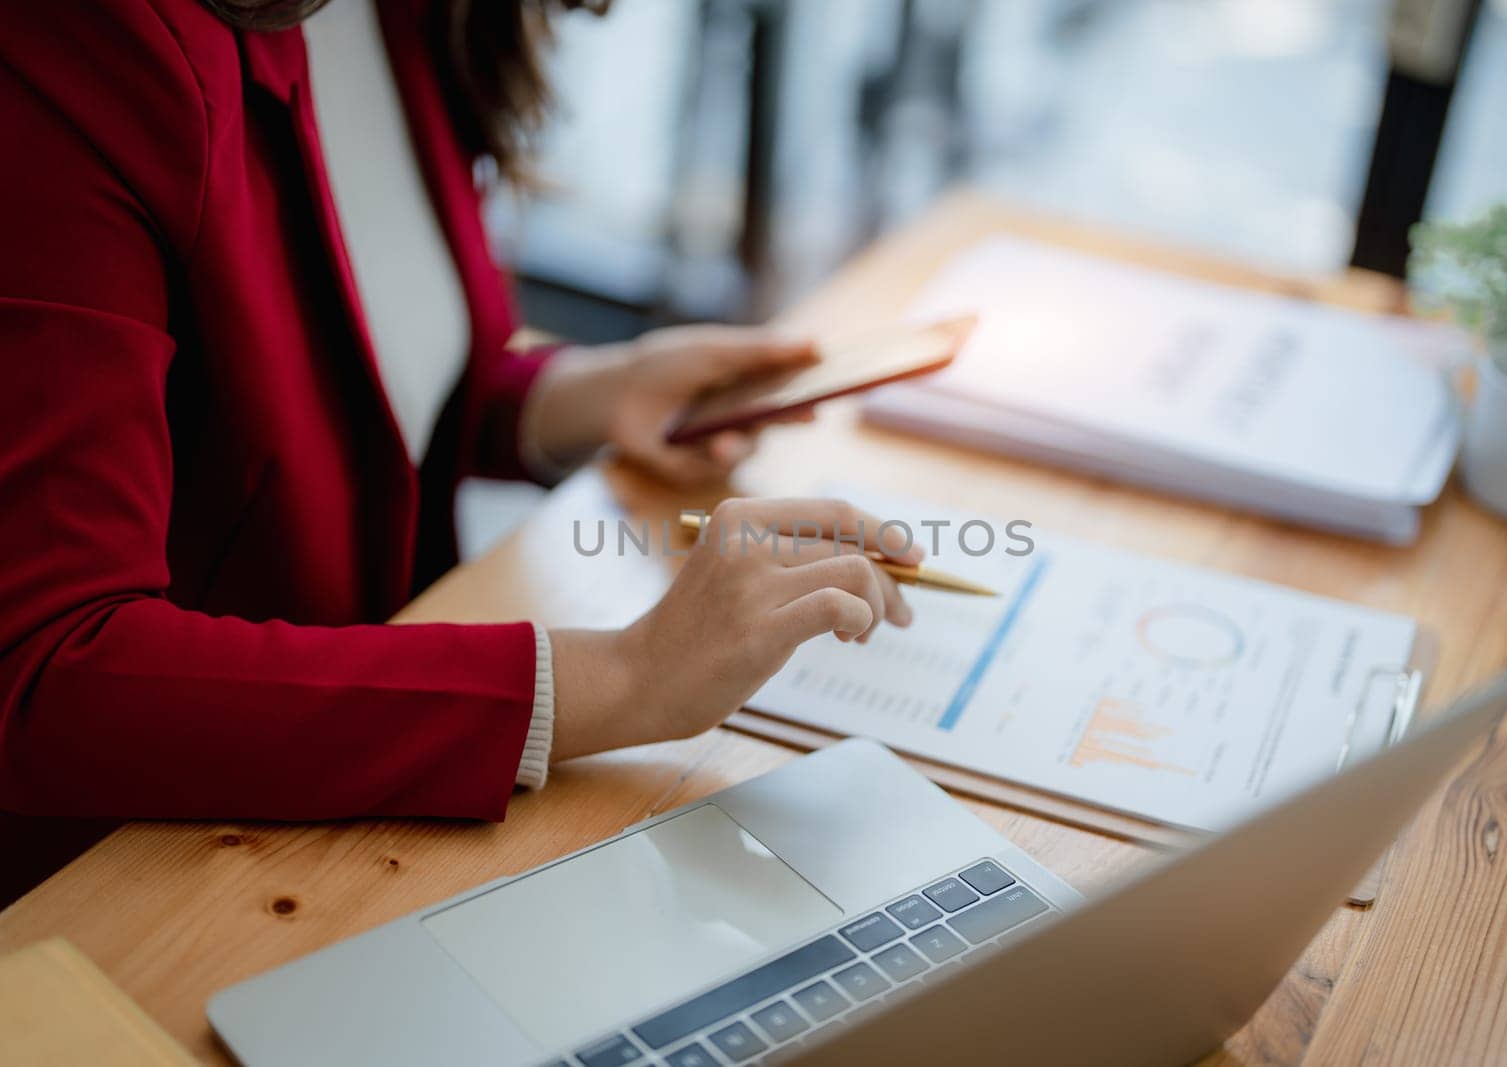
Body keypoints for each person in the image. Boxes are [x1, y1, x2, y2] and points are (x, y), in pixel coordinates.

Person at [0, 0, 917, 903]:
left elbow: (337, 377)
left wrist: (581, 395)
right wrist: (624, 677)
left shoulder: (404, 16)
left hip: (349, 832)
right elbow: (49, 675)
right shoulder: (80, 42)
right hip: (127, 889)